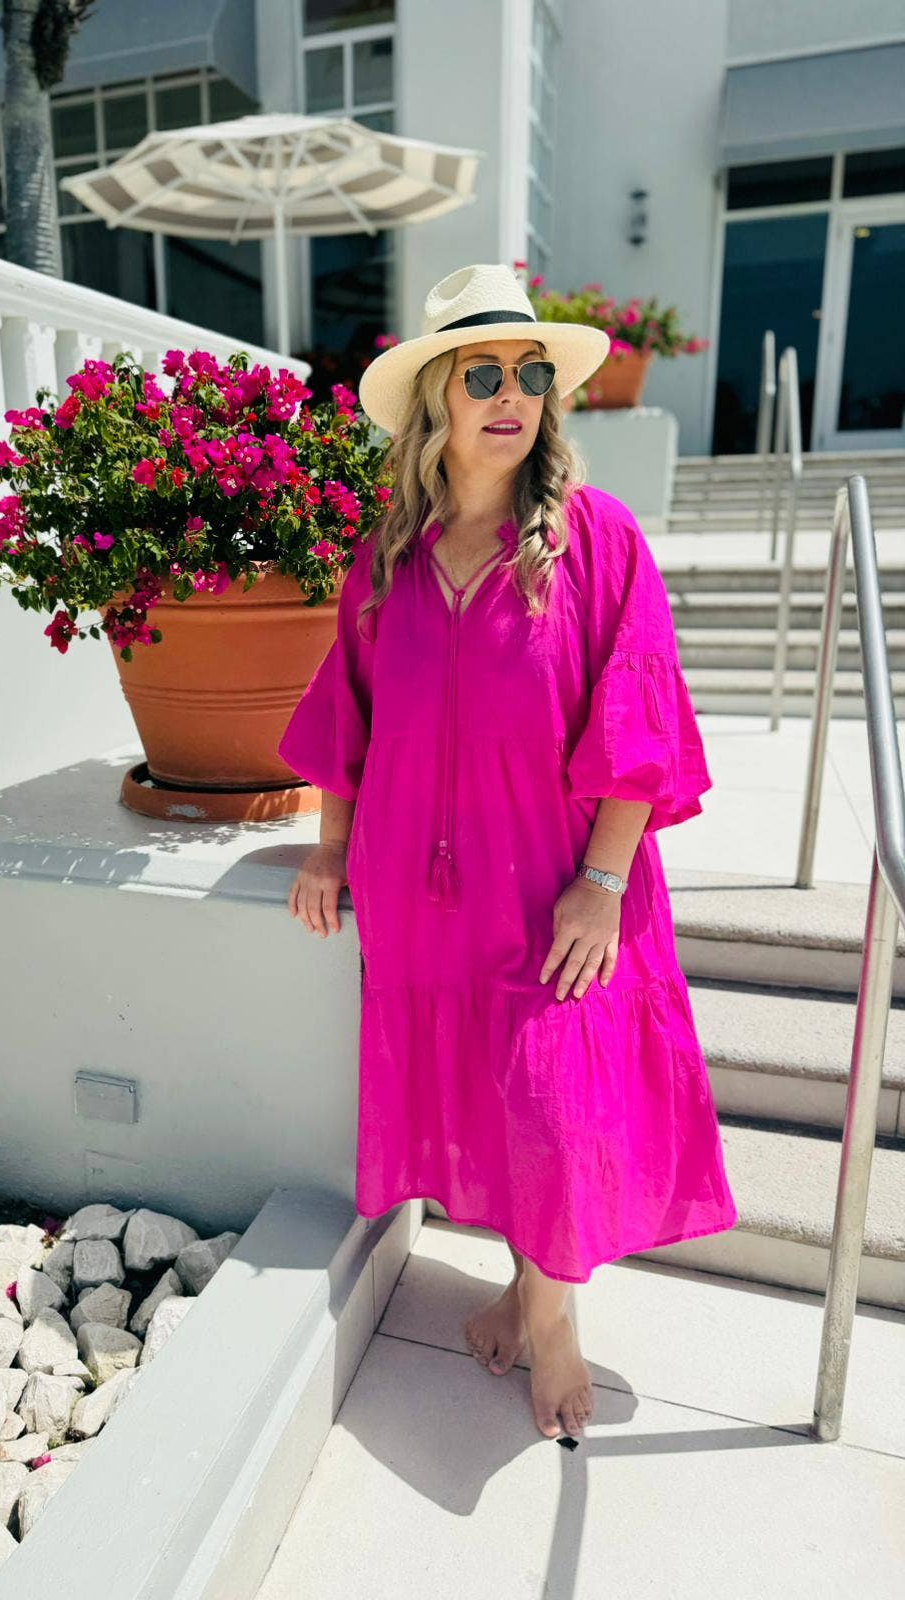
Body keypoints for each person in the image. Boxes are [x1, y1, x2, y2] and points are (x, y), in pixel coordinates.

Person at [276, 263, 739, 1441]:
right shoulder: (386, 558)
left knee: (554, 1108)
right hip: (421, 892)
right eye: (484, 374)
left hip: (554, 887)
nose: (513, 395)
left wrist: (603, 882)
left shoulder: (596, 540)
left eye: (531, 374)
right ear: (436, 396)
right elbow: (347, 721)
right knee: (489, 1106)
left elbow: (638, 721)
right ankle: (518, 1291)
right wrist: (328, 853)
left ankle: (552, 1319)